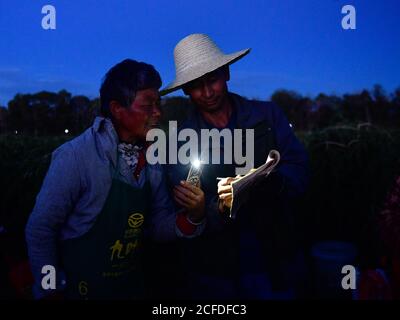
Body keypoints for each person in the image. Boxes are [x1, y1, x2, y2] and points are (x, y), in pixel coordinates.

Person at [25, 59, 206, 300]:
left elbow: (158, 223)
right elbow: (40, 230)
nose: (158, 112)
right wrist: (50, 292)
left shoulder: (152, 158)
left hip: (129, 288)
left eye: (158, 103)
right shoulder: (76, 157)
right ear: (117, 108)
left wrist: (193, 216)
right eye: (148, 105)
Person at [161, 34, 309, 299]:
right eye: (196, 85)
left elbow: (299, 167)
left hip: (273, 254)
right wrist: (204, 210)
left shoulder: (268, 115)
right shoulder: (179, 140)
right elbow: (181, 203)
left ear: (226, 72)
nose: (207, 93)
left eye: (213, 80)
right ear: (185, 90)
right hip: (214, 269)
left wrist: (275, 183)